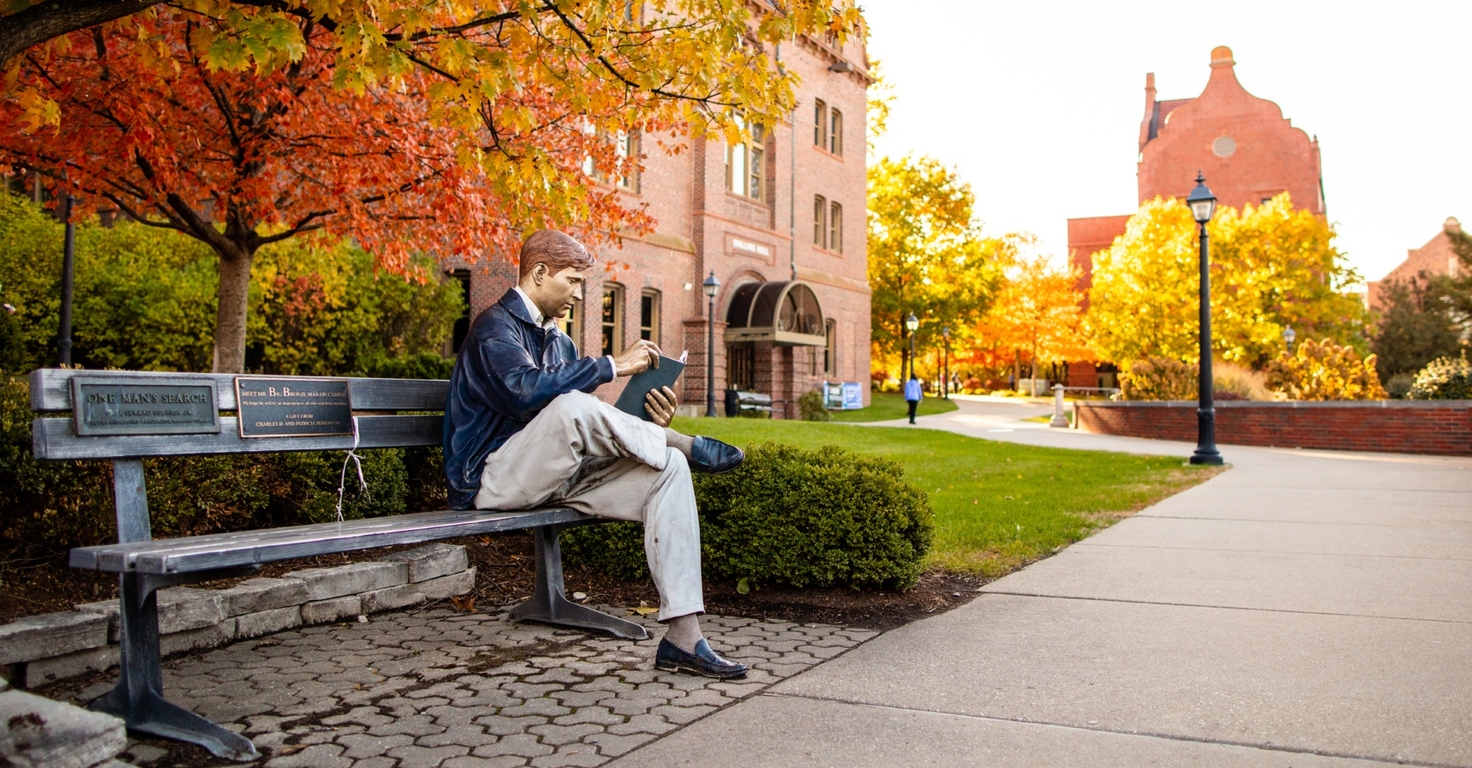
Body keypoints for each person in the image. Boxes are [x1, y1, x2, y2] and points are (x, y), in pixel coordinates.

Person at [443, 230, 748, 679]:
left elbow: (587, 420)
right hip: (489, 479)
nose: (579, 293)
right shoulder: (495, 328)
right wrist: (614, 365)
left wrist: (647, 421)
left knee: (670, 469)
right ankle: (682, 440)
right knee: (571, 404)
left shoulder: (559, 342)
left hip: (554, 476)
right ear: (540, 273)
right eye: (573, 281)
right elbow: (523, 393)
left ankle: (685, 638)